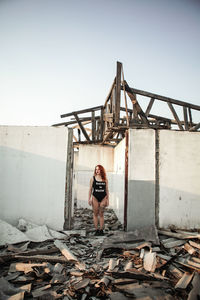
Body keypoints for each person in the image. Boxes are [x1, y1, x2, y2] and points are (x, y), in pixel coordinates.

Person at [88, 165, 109, 236]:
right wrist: (89, 198)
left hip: (103, 197)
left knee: (101, 214)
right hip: (95, 197)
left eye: (99, 169)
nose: (97, 171)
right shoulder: (93, 179)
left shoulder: (105, 179)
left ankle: (101, 230)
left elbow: (107, 190)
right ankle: (96, 229)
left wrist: (108, 200)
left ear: (101, 170)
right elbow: (90, 189)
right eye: (96, 169)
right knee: (95, 213)